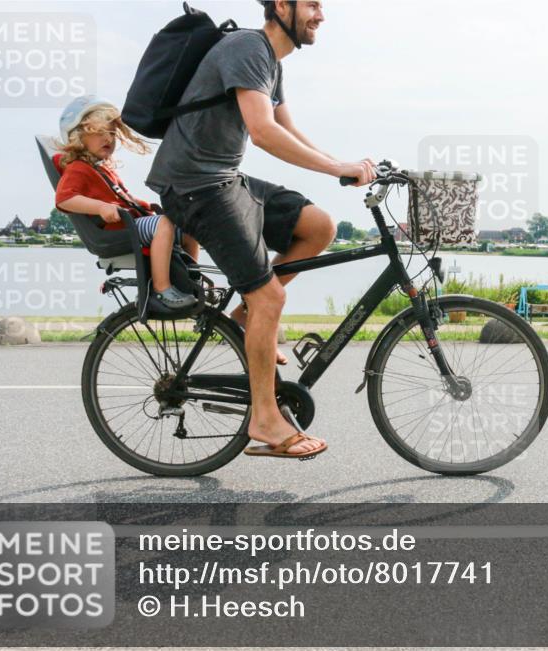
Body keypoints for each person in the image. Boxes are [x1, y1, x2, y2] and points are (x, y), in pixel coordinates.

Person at [147, 0, 375, 459]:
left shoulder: (271, 61)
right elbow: (264, 132)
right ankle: (265, 420)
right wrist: (337, 166)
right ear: (283, 6)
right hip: (194, 185)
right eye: (312, 4)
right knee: (270, 295)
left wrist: (341, 167)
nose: (321, 16)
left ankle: (247, 318)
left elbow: (287, 126)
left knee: (319, 226)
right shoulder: (247, 47)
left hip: (225, 179)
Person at [55, 96, 200, 310]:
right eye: (100, 133)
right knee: (165, 224)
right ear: (78, 137)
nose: (109, 139)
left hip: (130, 223)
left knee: (189, 226)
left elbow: (120, 197)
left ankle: (191, 277)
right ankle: (162, 288)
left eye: (112, 133)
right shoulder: (78, 168)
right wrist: (101, 207)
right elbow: (64, 198)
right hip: (120, 230)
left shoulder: (101, 168)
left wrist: (141, 204)